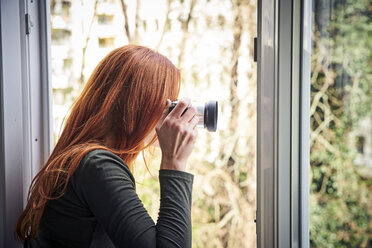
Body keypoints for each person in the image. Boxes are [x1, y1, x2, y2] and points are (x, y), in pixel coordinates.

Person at [15, 45, 199, 248]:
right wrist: (175, 161)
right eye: (167, 106)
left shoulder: (84, 160)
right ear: (138, 106)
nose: (169, 117)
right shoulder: (96, 165)